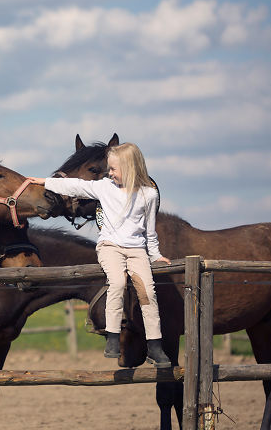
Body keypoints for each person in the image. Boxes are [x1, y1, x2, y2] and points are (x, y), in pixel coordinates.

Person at [32, 142, 172, 367]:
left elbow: (150, 231)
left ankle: (155, 346)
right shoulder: (105, 188)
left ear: (130, 168)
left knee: (148, 294)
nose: (110, 173)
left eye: (114, 169)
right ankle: (113, 339)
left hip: (137, 249)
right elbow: (75, 186)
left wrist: (155, 255)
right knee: (116, 283)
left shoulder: (148, 195)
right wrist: (43, 182)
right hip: (110, 247)